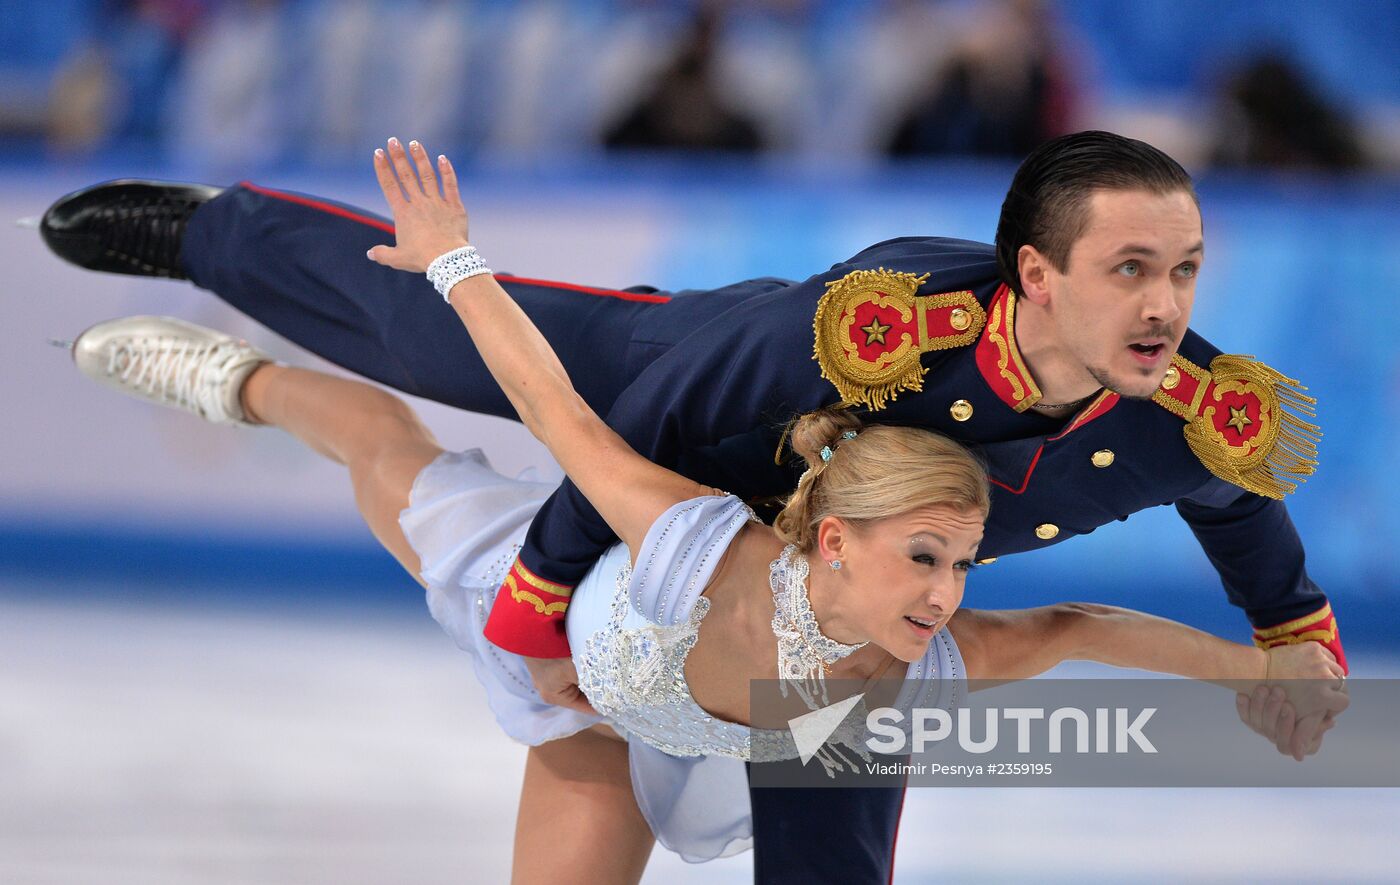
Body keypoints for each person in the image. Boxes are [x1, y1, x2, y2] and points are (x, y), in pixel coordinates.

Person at [38, 130, 1343, 883]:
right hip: (697, 428)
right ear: (1035, 276)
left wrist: (1290, 641)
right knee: (434, 332)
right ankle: (215, 236)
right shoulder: (882, 324)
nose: (1170, 307)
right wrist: (540, 601)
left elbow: (1224, 524)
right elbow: (614, 426)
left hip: (833, 599)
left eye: (1184, 269)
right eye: (1132, 270)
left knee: (834, 773)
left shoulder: (1191, 414)